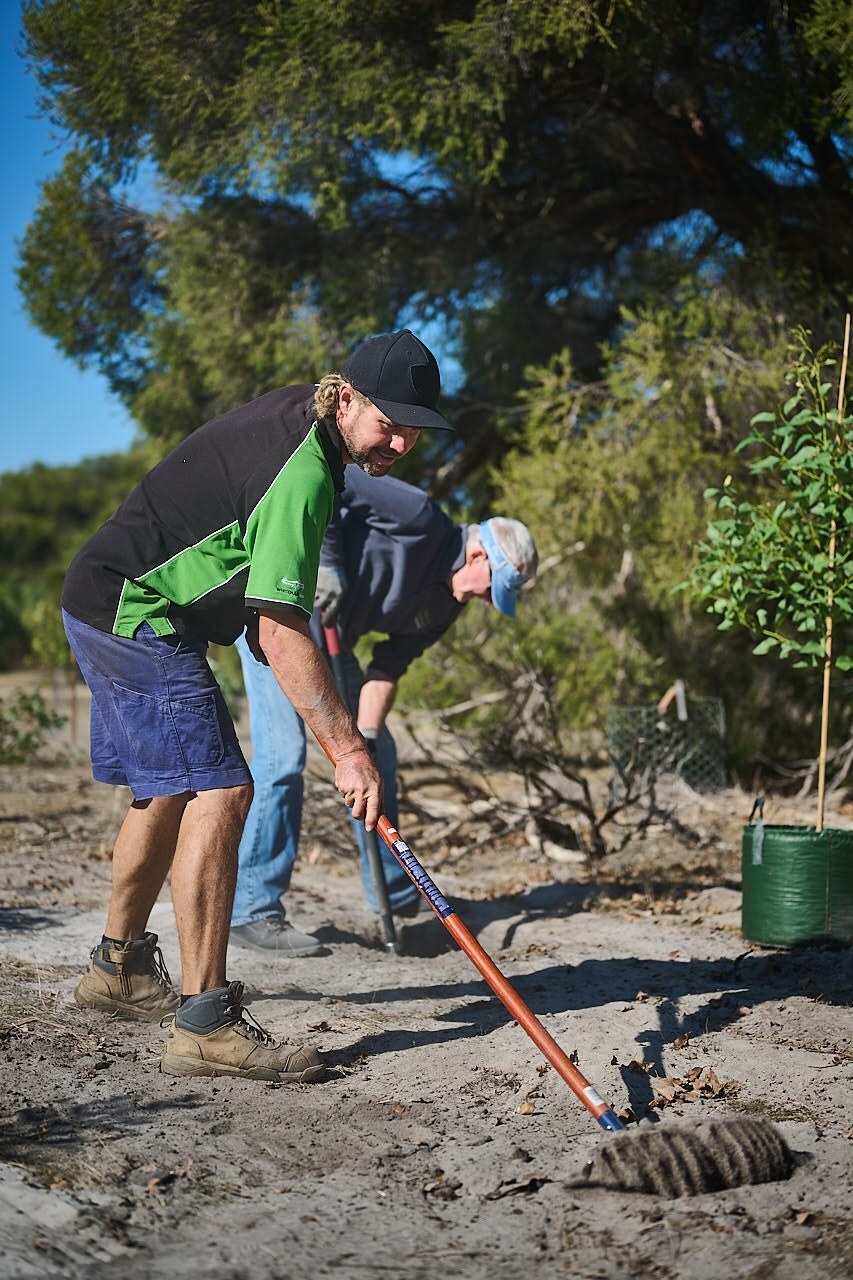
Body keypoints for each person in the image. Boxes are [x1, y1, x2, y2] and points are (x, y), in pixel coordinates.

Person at [62, 329, 454, 1083]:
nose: (401, 441)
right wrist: (347, 750)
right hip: (138, 612)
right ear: (346, 398)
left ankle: (119, 969)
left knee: (173, 786)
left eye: (414, 428)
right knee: (224, 786)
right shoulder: (304, 472)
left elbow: (242, 564)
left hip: (105, 596)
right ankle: (204, 1024)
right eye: (389, 422)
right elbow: (279, 629)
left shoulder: (301, 423)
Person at [229, 468, 539, 955]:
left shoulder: (445, 606)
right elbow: (321, 482)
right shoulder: (417, 515)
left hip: (332, 642)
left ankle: (395, 897)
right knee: (283, 757)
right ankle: (253, 909)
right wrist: (326, 564)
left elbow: (387, 669)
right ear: (479, 554)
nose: (482, 600)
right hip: (279, 616)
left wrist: (364, 738)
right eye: (489, 588)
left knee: (378, 759)